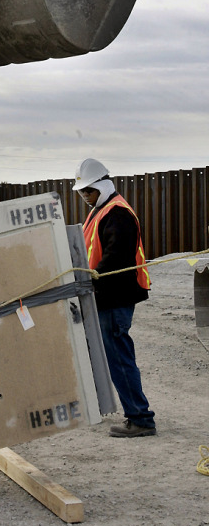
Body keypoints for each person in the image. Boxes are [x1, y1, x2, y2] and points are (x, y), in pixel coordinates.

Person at [73, 158, 156, 438]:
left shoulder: (117, 213)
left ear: (101, 186)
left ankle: (141, 419)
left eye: (88, 191)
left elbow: (115, 258)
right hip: (105, 297)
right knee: (116, 356)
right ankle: (136, 414)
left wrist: (90, 277)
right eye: (82, 192)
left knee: (120, 358)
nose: (85, 196)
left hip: (115, 298)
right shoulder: (102, 210)